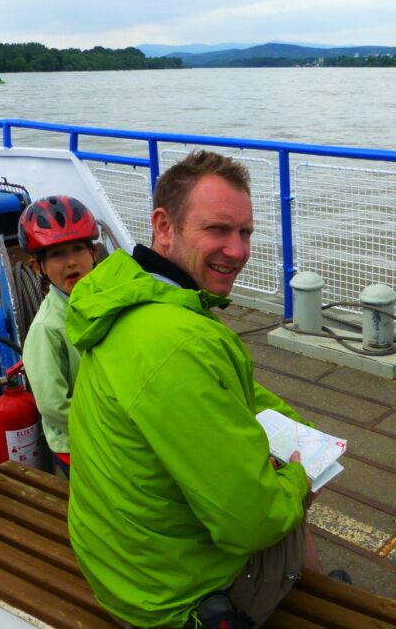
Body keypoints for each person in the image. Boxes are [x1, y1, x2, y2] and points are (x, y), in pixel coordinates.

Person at [66, 151, 320, 628]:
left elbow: (226, 391)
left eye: (245, 232)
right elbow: (252, 521)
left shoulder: (126, 298)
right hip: (171, 602)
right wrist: (299, 480)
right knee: (292, 502)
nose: (238, 250)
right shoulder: (180, 341)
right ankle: (318, 592)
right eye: (218, 230)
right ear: (164, 227)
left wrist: (299, 429)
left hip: (118, 567)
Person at [18, 195, 99, 479]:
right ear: (37, 266)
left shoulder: (104, 303)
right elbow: (54, 405)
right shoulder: (47, 328)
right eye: (57, 254)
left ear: (94, 253)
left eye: (78, 249)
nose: (71, 262)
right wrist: (104, 428)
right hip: (78, 442)